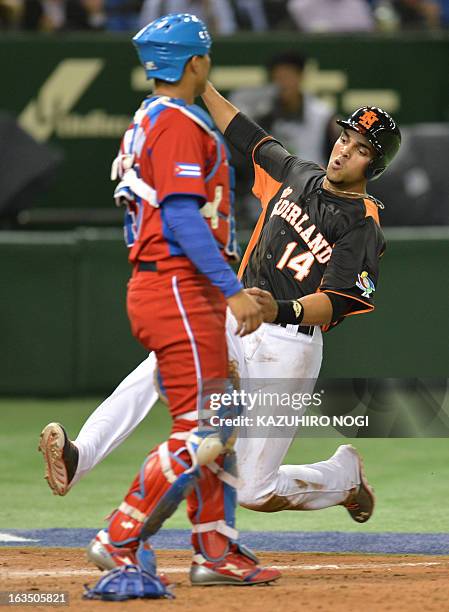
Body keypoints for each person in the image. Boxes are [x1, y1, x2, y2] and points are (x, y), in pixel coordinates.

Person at [39, 41, 401, 567]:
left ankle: (342, 477)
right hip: (236, 318)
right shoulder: (297, 173)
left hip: (289, 346)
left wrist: (278, 308)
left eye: (361, 146)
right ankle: (80, 457)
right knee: (161, 366)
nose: (345, 149)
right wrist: (199, 85)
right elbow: (244, 132)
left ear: (375, 163)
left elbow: (339, 301)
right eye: (345, 136)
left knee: (256, 488)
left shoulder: (363, 222)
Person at [43, 13, 280, 590]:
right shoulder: (175, 122)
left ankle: (214, 550)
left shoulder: (150, 118)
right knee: (206, 428)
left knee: (216, 420)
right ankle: (119, 539)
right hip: (177, 286)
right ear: (195, 63)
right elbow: (178, 213)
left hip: (172, 284)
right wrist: (229, 291)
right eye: (206, 56)